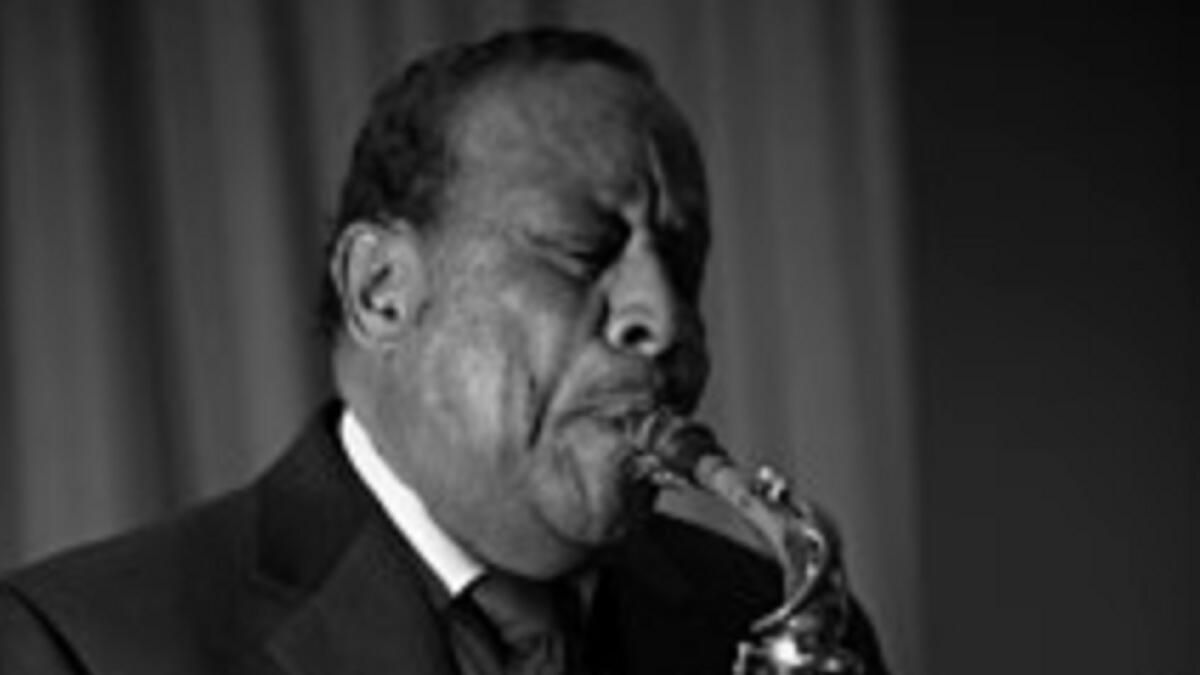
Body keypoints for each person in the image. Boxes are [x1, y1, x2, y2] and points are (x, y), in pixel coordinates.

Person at [0, 28, 888, 675]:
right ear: (381, 290)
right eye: (581, 252)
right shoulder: (71, 645)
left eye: (684, 267)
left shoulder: (773, 612)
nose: (664, 319)